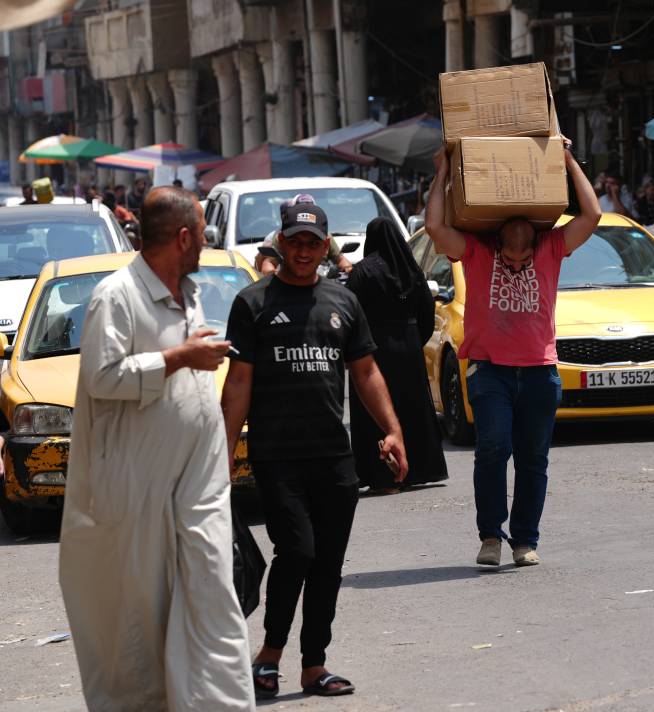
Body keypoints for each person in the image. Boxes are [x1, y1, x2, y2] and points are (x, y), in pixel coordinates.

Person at [59, 187, 254, 711]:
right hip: (134, 493)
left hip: (194, 487)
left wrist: (190, 354)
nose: (207, 244)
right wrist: (180, 357)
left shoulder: (188, 292)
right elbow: (102, 375)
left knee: (211, 597)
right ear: (184, 236)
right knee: (138, 621)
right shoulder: (116, 296)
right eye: (204, 235)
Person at [222, 201, 408, 699]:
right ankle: (269, 653)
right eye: (295, 241)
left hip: (334, 455)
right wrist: (220, 452)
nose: (304, 250)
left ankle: (313, 665)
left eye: (313, 242)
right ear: (281, 244)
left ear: (326, 247)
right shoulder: (253, 303)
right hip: (277, 454)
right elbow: (238, 384)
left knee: (327, 562)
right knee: (297, 550)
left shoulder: (342, 303)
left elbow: (366, 372)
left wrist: (392, 429)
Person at [425, 139, 601, 567]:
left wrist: (565, 160)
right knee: (491, 450)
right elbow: (434, 227)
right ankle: (490, 536)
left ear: (535, 243)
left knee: (533, 459)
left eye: (525, 258)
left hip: (540, 371)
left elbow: (592, 214)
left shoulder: (553, 248)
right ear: (498, 241)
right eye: (512, 256)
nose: (519, 264)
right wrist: (443, 170)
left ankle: (525, 540)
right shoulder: (478, 252)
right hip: (490, 372)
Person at [347, 217, 447, 494]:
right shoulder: (412, 270)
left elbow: (350, 312)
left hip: (373, 352)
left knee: (376, 411)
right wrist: (414, 340)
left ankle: (383, 476)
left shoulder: (363, 272)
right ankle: (416, 471)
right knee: (412, 409)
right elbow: (427, 312)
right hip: (409, 349)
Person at [254, 195, 352, 276]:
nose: (303, 253)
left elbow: (341, 259)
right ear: (281, 241)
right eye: (294, 242)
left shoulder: (340, 297)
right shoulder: (280, 235)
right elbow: (269, 264)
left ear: (325, 245)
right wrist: (273, 275)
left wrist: (348, 270)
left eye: (314, 244)